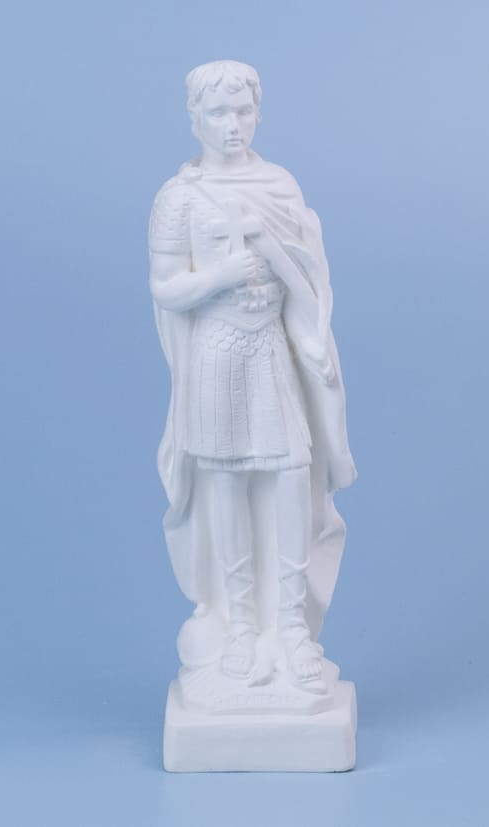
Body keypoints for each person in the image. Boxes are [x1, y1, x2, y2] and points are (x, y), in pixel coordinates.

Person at [150, 60, 355, 693]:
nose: (233, 124)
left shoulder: (279, 186)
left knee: (292, 470)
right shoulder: (178, 199)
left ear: (258, 114)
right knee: (223, 477)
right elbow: (165, 286)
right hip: (216, 351)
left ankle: (290, 624)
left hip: (269, 346)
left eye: (243, 111)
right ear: (195, 119)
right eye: (219, 112)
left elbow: (307, 272)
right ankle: (241, 624)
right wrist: (219, 278)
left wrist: (312, 335)